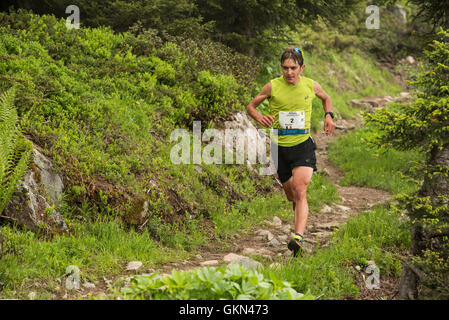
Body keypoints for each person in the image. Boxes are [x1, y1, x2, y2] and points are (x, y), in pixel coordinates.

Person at [246, 46, 336, 256]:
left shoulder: (311, 86)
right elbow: (251, 106)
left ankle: (298, 237)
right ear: (281, 67)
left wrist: (329, 115)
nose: (289, 72)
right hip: (279, 147)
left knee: (300, 189)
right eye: (285, 68)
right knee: (291, 194)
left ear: (302, 67)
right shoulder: (272, 86)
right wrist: (259, 117)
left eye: (293, 68)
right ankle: (299, 225)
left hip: (302, 145)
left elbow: (326, 98)